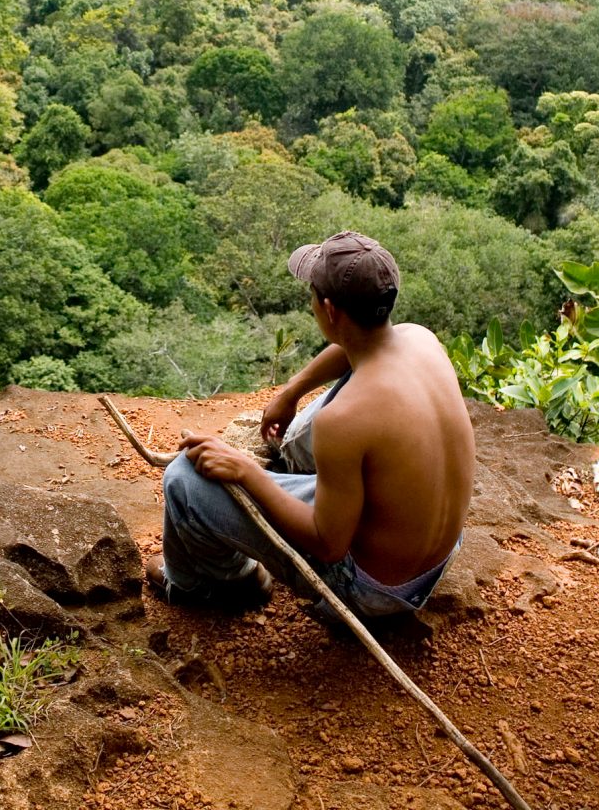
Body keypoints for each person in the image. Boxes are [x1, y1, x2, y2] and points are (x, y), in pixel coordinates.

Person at [147, 230, 475, 619]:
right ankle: (298, 477)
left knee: (182, 478)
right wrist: (292, 391)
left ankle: (208, 584)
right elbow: (351, 350)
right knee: (334, 410)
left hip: (370, 592)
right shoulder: (421, 340)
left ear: (330, 309)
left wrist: (248, 472)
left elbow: (327, 544)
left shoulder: (344, 420)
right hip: (432, 559)